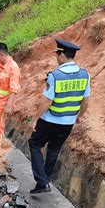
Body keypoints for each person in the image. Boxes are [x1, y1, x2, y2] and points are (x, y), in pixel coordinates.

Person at [27, 39, 90, 194]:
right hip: (68, 122)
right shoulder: (85, 74)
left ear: (62, 55)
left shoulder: (55, 75)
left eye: (57, 54)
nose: (56, 57)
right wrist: (79, 116)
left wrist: (35, 119)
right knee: (53, 150)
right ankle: (44, 182)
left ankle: (42, 181)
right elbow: (86, 99)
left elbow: (48, 100)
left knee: (35, 144)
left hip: (50, 120)